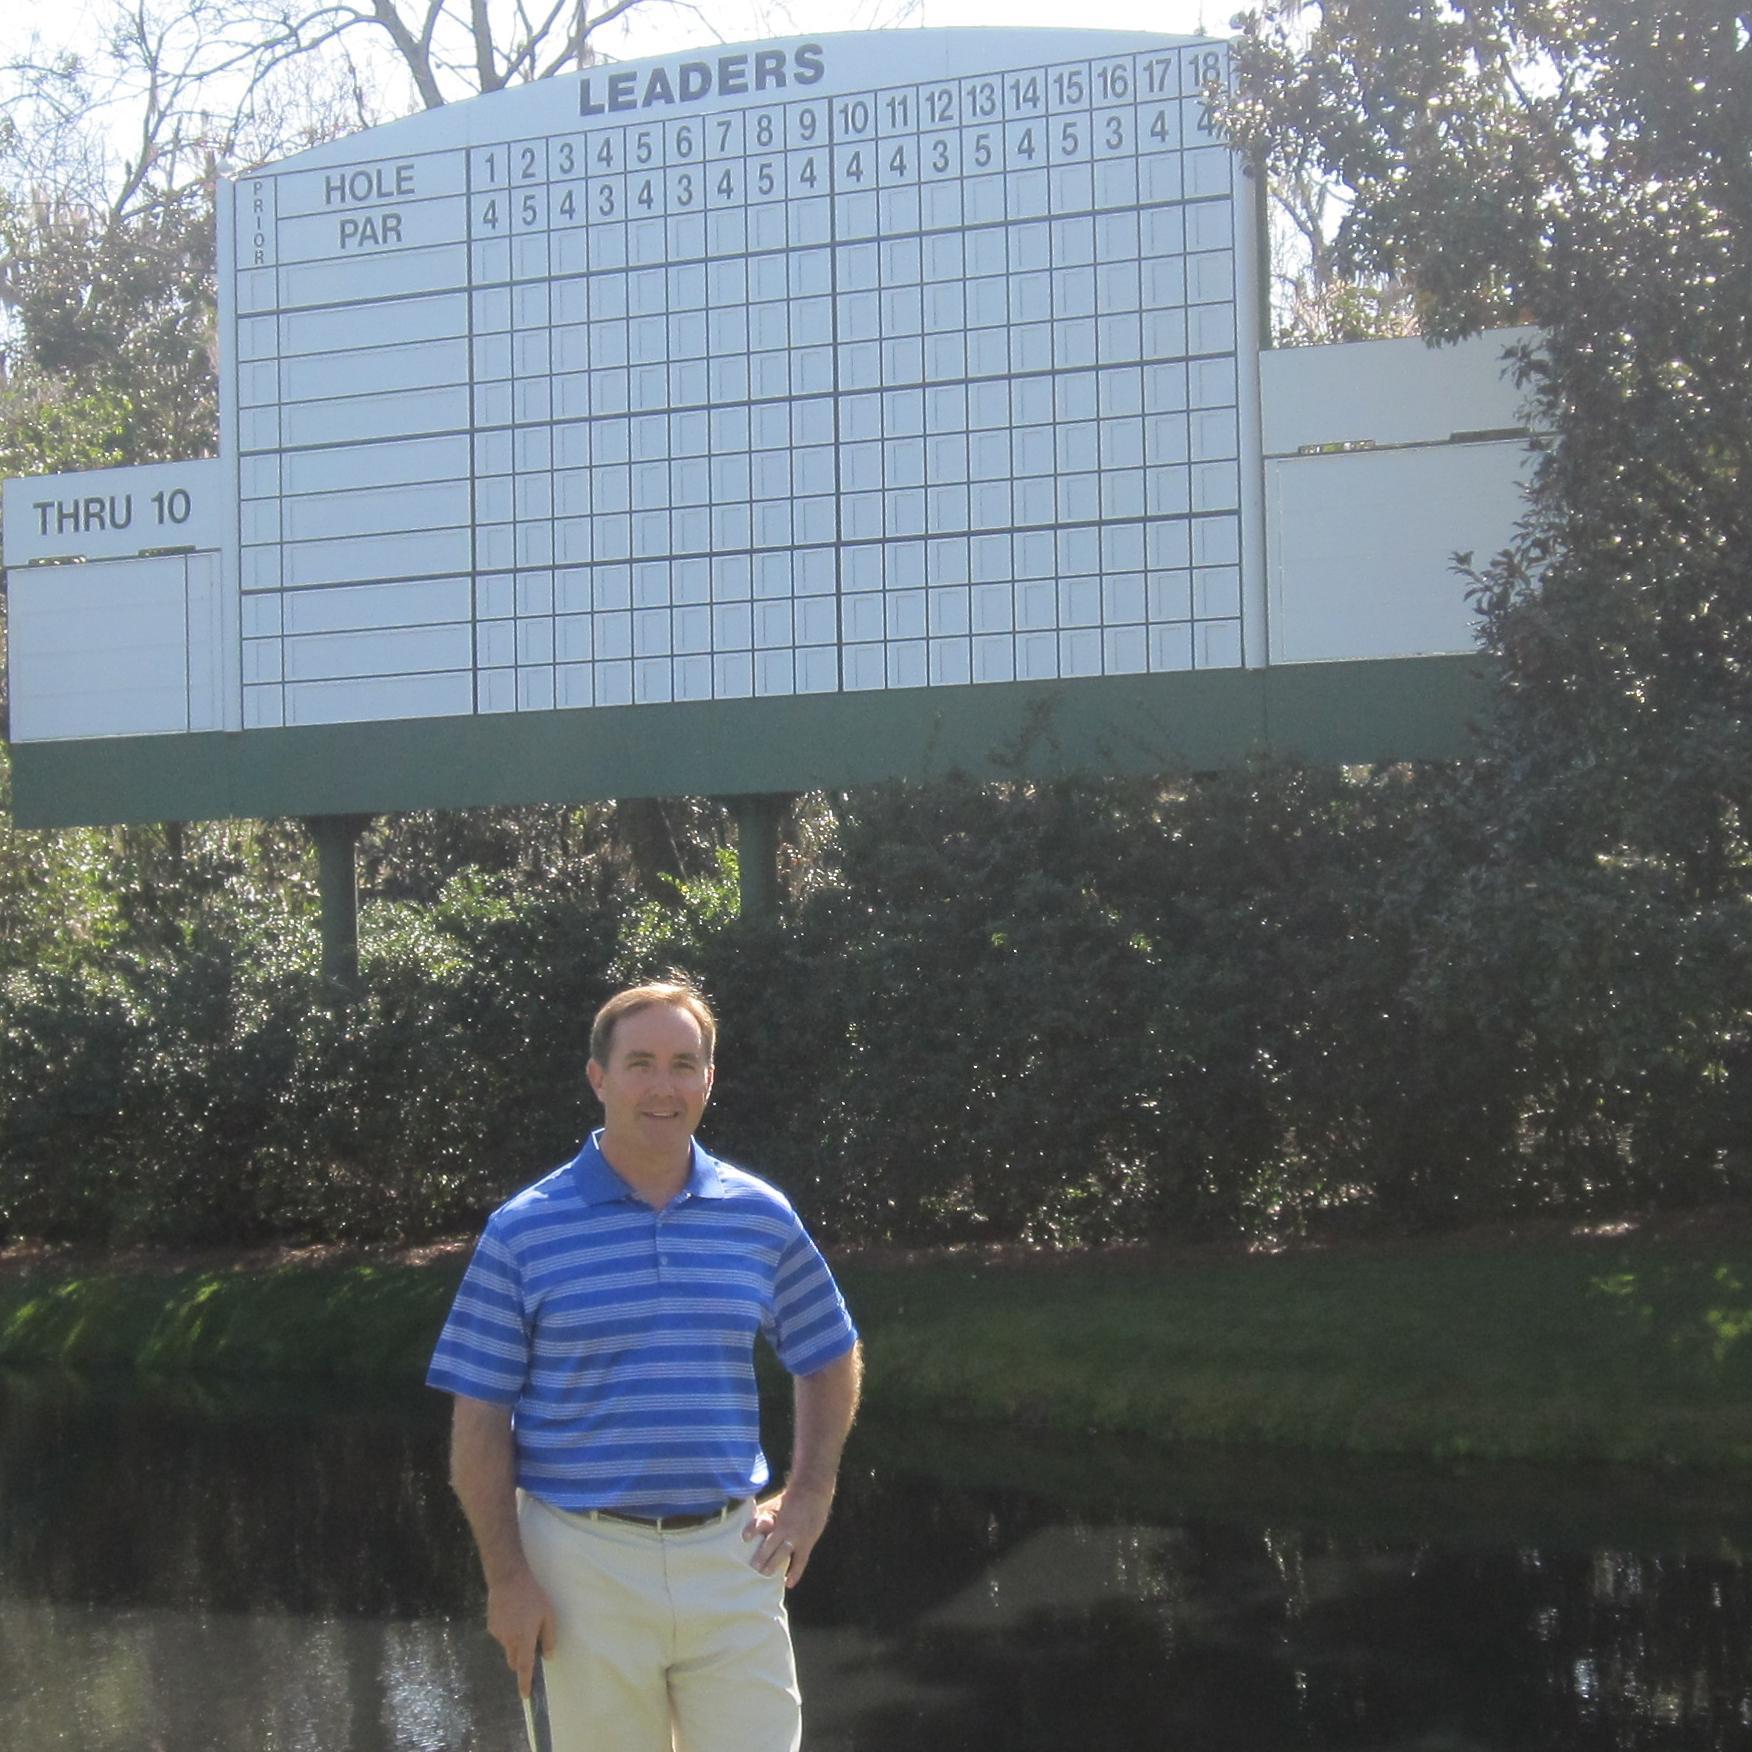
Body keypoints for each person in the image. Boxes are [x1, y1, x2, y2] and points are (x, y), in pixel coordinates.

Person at [427, 979, 862, 1752]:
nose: (664, 1087)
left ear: (708, 1080)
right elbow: (480, 1420)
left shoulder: (758, 1215)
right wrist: (507, 1579)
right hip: (580, 1567)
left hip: (732, 1557)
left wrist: (811, 1493)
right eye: (641, 1064)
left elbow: (828, 1354)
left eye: (684, 1064)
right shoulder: (523, 1232)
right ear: (599, 1078)